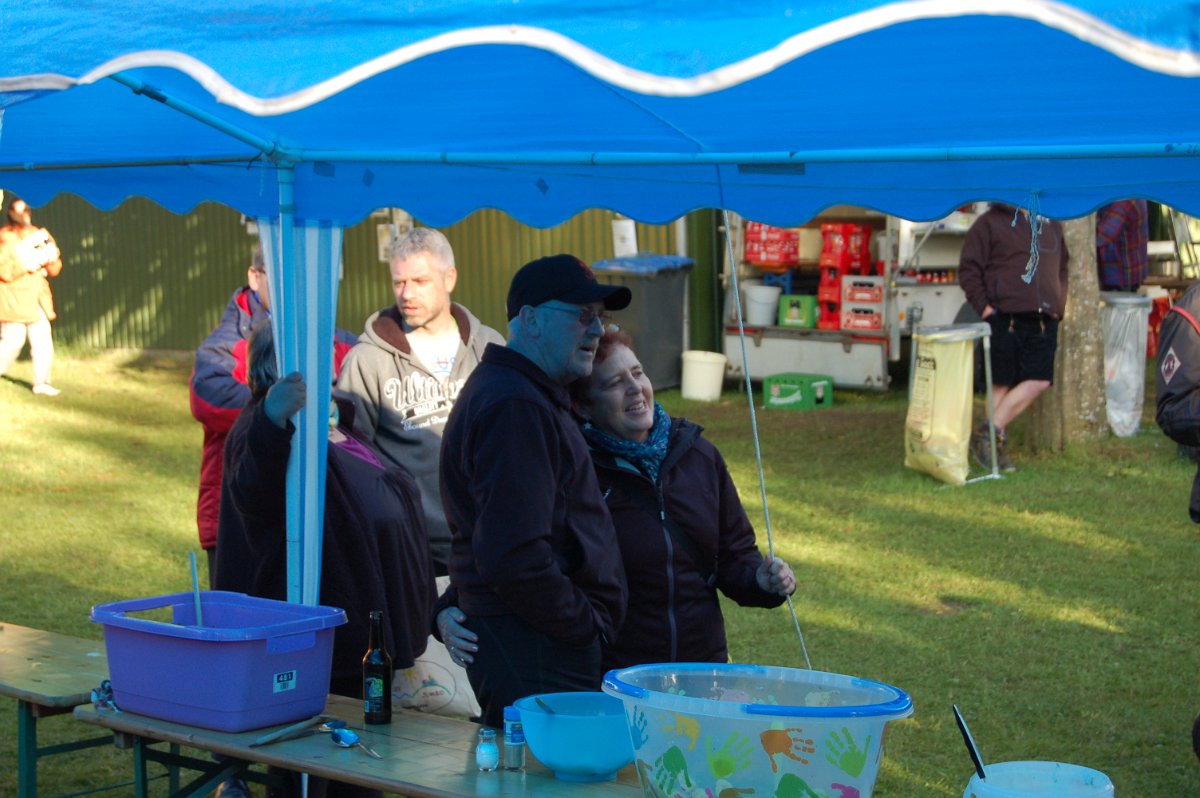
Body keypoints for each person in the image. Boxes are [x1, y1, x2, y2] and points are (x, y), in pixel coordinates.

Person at [216, 322, 436, 798]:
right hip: (318, 640)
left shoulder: (334, 423)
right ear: (274, 366)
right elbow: (253, 495)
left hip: (360, 636)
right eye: (308, 354)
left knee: (358, 764)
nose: (326, 362)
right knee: (316, 771)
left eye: (324, 354)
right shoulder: (263, 424)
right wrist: (272, 421)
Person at [434, 254, 631, 728]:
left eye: (601, 318)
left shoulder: (524, 394)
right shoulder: (515, 404)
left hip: (533, 639)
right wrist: (582, 626)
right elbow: (512, 553)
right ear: (530, 320)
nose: (597, 331)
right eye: (582, 316)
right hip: (535, 646)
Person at [569, 329, 797, 671]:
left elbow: (735, 554)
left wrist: (761, 581)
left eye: (638, 372)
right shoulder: (578, 473)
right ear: (584, 407)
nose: (635, 388)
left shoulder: (699, 455)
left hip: (702, 672)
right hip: (619, 678)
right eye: (615, 382)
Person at [337, 227, 504, 576]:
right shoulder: (367, 360)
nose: (407, 294)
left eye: (420, 281)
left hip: (491, 539)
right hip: (410, 549)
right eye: (399, 282)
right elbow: (350, 455)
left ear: (450, 278)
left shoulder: (490, 347)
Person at [190, 244, 354, 585]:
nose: (294, 290)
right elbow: (208, 401)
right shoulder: (222, 348)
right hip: (238, 517)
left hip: (316, 515)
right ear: (255, 276)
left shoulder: (335, 341)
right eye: (282, 278)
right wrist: (281, 407)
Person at [958, 203, 1069, 472]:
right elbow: (968, 270)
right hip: (1004, 318)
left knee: (1040, 380)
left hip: (1044, 318)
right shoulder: (989, 223)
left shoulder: (1052, 223)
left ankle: (987, 434)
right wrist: (986, 309)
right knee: (1001, 383)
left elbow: (1063, 268)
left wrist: (1060, 305)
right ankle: (991, 449)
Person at [0, 197, 64, 395]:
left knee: (43, 341)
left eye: (26, 209)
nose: (24, 214)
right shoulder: (4, 237)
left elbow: (54, 268)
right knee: (12, 342)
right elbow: (3, 270)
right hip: (13, 299)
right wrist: (23, 266)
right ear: (11, 214)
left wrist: (53, 260)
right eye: (19, 211)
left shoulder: (37, 234)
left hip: (37, 298)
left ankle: (42, 383)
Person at [1095, 199, 1149, 292]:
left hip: (1122, 278)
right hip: (1123, 275)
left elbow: (1103, 235)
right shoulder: (1131, 194)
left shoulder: (1125, 200)